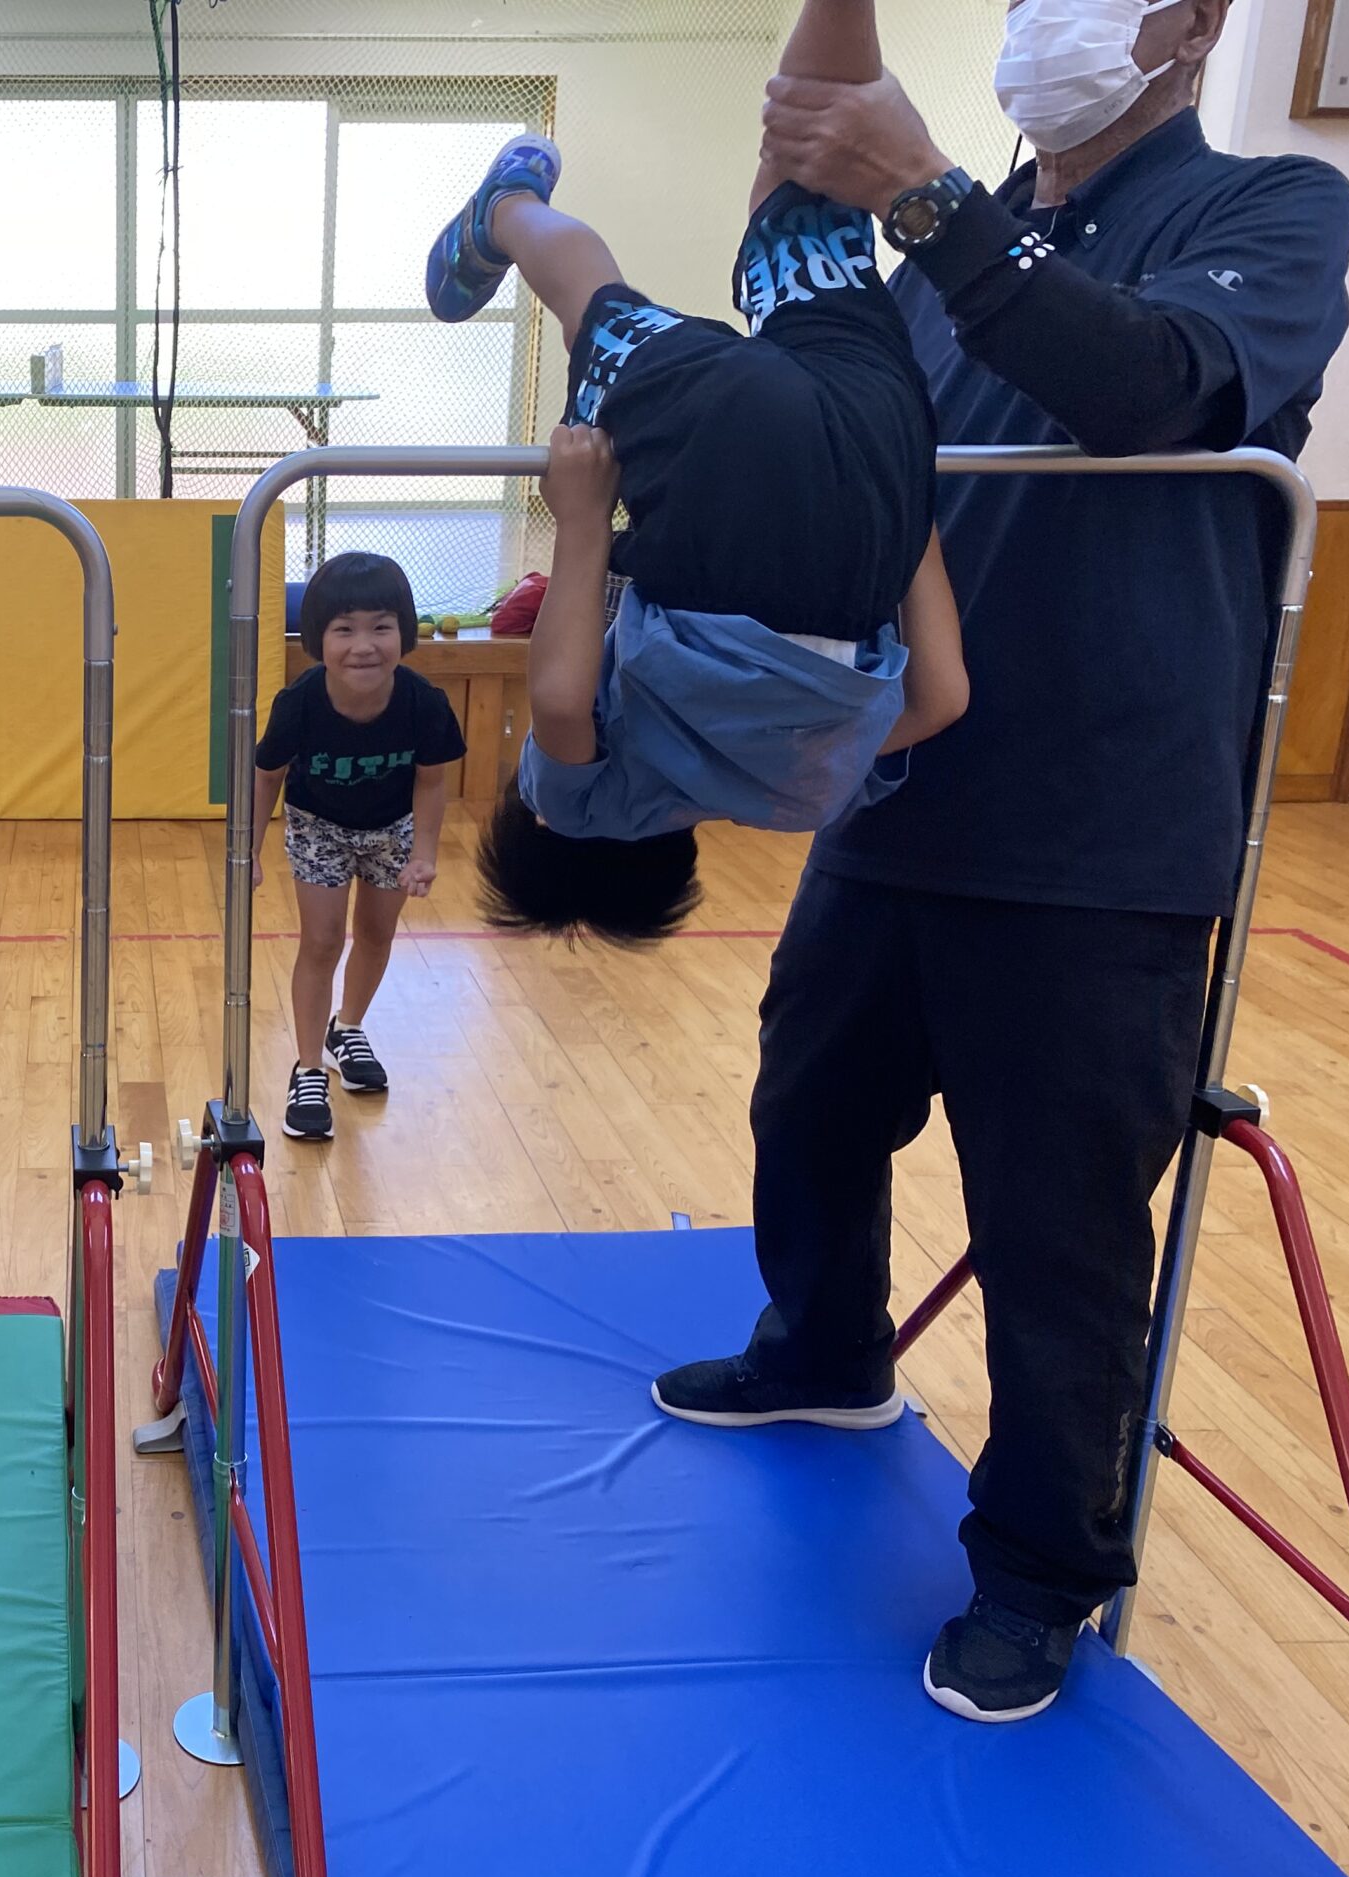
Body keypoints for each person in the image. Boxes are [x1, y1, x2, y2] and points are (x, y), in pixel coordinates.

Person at [656, 0, 1349, 1723]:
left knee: (1058, 1231)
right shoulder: (938, 266)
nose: (1052, 18)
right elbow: (845, 396)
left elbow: (1149, 384)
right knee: (811, 1103)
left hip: (1100, 832)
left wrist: (927, 193)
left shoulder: (1271, 207)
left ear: (1194, 26)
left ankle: (1041, 1573)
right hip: (902, 793)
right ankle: (826, 1352)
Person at [437, 0, 969, 949]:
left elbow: (942, 700)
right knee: (590, 297)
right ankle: (506, 211)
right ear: (552, 823)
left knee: (806, 181)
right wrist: (582, 524)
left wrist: (910, 509)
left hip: (875, 471)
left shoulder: (807, 790)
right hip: (731, 489)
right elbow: (559, 701)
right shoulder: (585, 801)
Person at [250, 553, 465, 1143]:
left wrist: (424, 853)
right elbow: (266, 777)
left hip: (392, 827)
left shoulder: (424, 703)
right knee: (321, 942)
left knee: (375, 934)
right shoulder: (299, 703)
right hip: (319, 825)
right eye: (344, 629)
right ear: (318, 639)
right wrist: (248, 850)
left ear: (404, 632)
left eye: (381, 627)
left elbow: (431, 781)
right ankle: (308, 1069)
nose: (364, 646)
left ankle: (347, 1028)